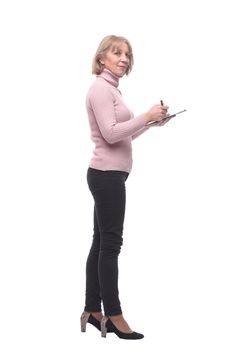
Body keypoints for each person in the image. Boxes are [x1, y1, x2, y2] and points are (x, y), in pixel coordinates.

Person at [80, 35, 171, 340]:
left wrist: (150, 124)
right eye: (116, 52)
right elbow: (109, 133)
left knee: (101, 243)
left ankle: (93, 311)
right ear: (101, 57)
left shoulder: (111, 90)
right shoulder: (100, 89)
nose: (124, 58)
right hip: (106, 177)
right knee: (110, 246)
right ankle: (114, 315)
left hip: (109, 175)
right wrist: (145, 116)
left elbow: (123, 137)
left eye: (127, 54)